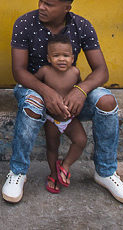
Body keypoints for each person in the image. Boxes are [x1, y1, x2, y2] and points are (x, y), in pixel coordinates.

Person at [1, 0, 123, 205]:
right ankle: (18, 172)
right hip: (34, 88)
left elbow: (101, 71)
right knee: (33, 103)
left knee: (106, 101)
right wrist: (46, 91)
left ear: (67, 7)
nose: (41, 7)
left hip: (70, 95)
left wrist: (81, 90)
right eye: (40, 0)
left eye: (49, 4)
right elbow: (19, 71)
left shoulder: (81, 26)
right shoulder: (25, 23)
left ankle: (105, 173)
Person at [35, 34, 87, 194]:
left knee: (81, 140)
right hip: (52, 119)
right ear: (49, 58)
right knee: (52, 147)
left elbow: (81, 92)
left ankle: (64, 166)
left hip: (70, 118)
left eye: (65, 56)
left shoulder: (75, 73)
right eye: (56, 56)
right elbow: (33, 85)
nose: (61, 59)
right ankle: (53, 174)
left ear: (72, 58)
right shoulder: (45, 72)